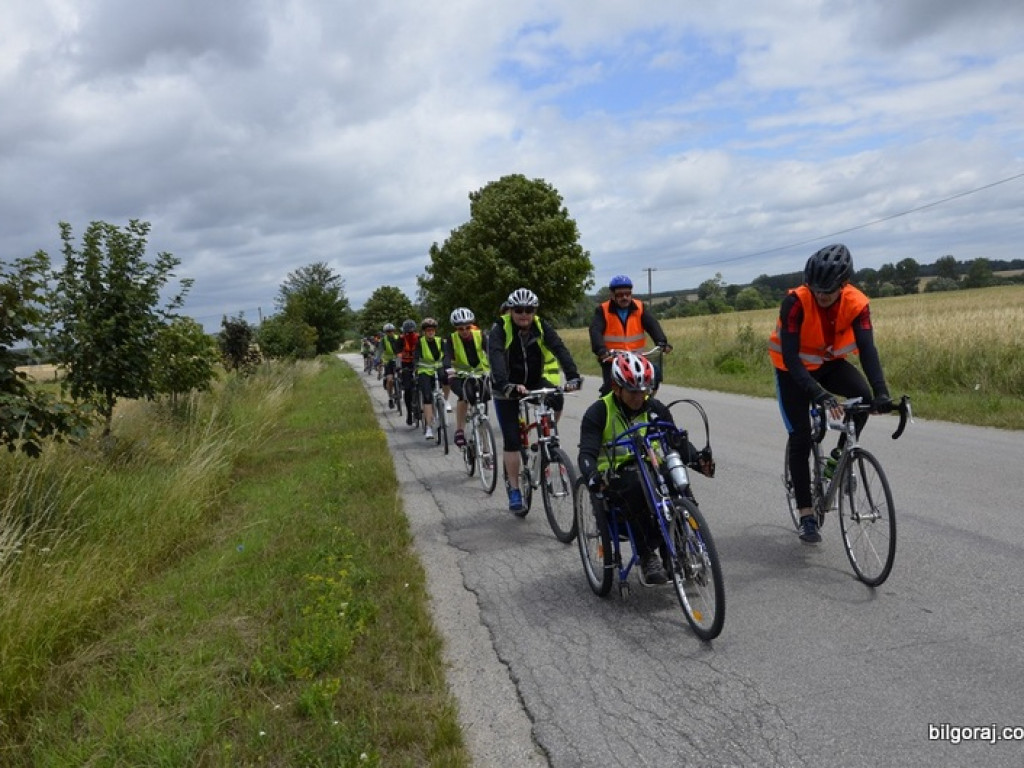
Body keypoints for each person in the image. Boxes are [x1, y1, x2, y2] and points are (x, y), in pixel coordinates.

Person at [768, 244, 893, 544]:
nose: (821, 295)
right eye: (816, 289)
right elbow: (792, 359)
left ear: (844, 284)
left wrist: (881, 392)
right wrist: (819, 395)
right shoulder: (795, 303)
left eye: (829, 290)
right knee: (800, 438)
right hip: (792, 370)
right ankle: (807, 515)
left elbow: (867, 349)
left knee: (862, 397)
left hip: (828, 364)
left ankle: (839, 458)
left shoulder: (857, 303)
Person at [577, 352, 714, 585]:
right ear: (617, 387)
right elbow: (586, 453)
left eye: (644, 390)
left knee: (673, 480)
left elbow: (675, 441)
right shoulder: (598, 412)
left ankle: (679, 548)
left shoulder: (655, 409)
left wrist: (698, 460)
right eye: (633, 391)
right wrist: (592, 475)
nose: (639, 397)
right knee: (637, 486)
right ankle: (647, 554)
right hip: (616, 475)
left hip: (650, 467)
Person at [488, 288, 583, 513]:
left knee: (557, 398)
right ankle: (514, 489)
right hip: (507, 387)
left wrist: (572, 376)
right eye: (519, 310)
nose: (524, 314)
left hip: (532, 381)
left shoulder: (541, 326)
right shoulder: (500, 329)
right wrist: (506, 385)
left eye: (529, 310)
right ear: (510, 310)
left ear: (534, 311)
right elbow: (496, 357)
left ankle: (547, 434)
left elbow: (559, 348)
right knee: (512, 439)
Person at [589, 274, 672, 395]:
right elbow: (595, 330)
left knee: (655, 374)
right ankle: (606, 411)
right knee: (610, 389)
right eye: (620, 295)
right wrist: (601, 350)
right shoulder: (603, 310)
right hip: (612, 359)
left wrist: (662, 342)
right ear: (612, 295)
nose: (625, 297)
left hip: (636, 358)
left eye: (628, 294)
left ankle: (647, 403)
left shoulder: (639, 307)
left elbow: (652, 325)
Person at [443, 307, 490, 448]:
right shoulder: (451, 339)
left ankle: (485, 443)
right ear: (456, 328)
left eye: (467, 327)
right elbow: (446, 357)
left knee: (483, 400)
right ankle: (460, 430)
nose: (464, 331)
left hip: (480, 373)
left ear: (472, 325)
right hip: (459, 375)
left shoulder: (480, 335)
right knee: (464, 396)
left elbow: (491, 352)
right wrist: (448, 369)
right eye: (460, 328)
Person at [412, 317, 448, 441]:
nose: (430, 332)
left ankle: (445, 401)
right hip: (425, 371)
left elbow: (446, 355)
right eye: (428, 330)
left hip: (438, 369)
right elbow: (416, 356)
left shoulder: (440, 341)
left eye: (432, 330)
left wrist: (447, 365)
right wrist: (416, 366)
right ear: (424, 332)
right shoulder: (420, 342)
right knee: (427, 397)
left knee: (448, 379)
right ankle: (428, 427)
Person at [397, 319, 420, 424]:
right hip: (405, 365)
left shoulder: (419, 338)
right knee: (407, 389)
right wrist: (399, 367)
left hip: (418, 363)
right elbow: (398, 354)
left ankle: (423, 404)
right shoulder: (401, 339)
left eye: (411, 332)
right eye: (407, 332)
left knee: (423, 384)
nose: (409, 334)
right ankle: (409, 413)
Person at [378, 323, 401, 407]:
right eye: (388, 331)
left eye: (391, 331)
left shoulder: (398, 338)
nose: (390, 333)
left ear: (394, 331)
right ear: (385, 332)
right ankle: (390, 398)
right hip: (388, 361)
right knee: (390, 380)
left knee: (403, 375)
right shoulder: (383, 340)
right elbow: (380, 351)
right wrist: (378, 359)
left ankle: (400, 389)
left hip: (398, 359)